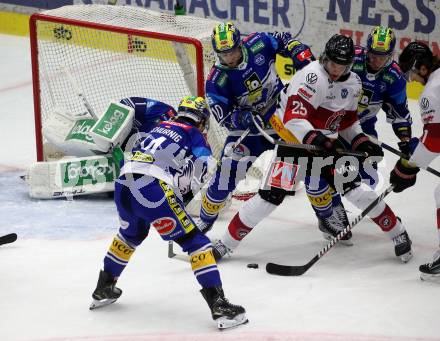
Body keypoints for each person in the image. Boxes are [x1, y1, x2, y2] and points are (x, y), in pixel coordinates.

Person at [211, 34, 413, 264]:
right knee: (270, 196)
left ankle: (398, 232)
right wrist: (321, 142)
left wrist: (361, 141)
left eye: (341, 65)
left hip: (321, 141)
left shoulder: (354, 83)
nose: (335, 69)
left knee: (353, 189)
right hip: (294, 143)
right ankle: (225, 243)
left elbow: (346, 122)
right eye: (332, 63)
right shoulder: (311, 76)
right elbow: (294, 119)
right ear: (325, 58)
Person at [90, 96, 248, 330]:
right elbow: (202, 171)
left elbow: (131, 106)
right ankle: (219, 306)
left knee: (129, 236)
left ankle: (103, 288)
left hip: (123, 184)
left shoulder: (158, 125)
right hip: (152, 188)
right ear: (202, 121)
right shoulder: (195, 135)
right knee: (197, 242)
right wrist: (179, 199)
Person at [197, 21, 315, 232]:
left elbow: (284, 40)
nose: (229, 58)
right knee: (226, 175)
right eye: (223, 54)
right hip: (249, 131)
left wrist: (298, 51)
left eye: (231, 52)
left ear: (240, 44)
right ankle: (205, 220)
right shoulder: (216, 80)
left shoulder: (258, 42)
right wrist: (242, 118)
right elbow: (224, 117)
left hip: (281, 116)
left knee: (310, 165)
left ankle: (329, 216)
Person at [390, 41, 440, 281]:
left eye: (411, 72)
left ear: (422, 67)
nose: (411, 80)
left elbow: (435, 140)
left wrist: (407, 167)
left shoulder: (432, 91)